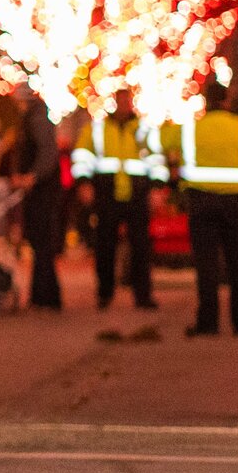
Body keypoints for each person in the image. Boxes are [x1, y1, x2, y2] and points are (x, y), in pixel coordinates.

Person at [160, 81, 238, 337]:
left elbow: (159, 140)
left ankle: (208, 322)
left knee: (206, 265)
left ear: (206, 102)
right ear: (228, 102)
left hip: (201, 202)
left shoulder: (190, 130)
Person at [70, 87, 161, 309]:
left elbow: (157, 160)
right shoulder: (98, 129)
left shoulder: (143, 130)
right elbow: (82, 155)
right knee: (105, 247)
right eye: (120, 101)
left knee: (140, 248)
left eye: (126, 101)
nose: (123, 105)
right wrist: (84, 182)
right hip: (106, 192)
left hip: (136, 193)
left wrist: (158, 188)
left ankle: (143, 295)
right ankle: (105, 293)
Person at [8, 86, 65, 310]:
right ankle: (45, 295)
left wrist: (32, 176)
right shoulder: (35, 117)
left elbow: (47, 152)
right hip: (42, 190)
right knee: (41, 244)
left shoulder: (36, 119)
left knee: (42, 243)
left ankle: (44, 296)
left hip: (43, 192)